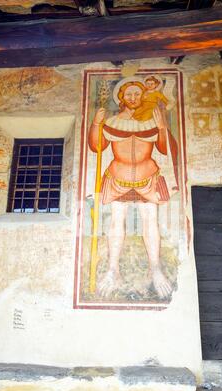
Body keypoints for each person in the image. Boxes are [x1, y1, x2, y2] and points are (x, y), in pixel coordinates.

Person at [88, 80, 178, 299]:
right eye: (129, 93)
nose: (133, 97)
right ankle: (112, 269)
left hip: (148, 176)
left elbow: (164, 149)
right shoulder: (113, 121)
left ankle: (155, 269)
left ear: (142, 96)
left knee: (150, 221)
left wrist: (162, 126)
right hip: (118, 177)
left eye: (137, 93)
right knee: (117, 221)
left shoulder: (151, 120)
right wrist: (96, 125)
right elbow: (97, 146)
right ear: (121, 97)